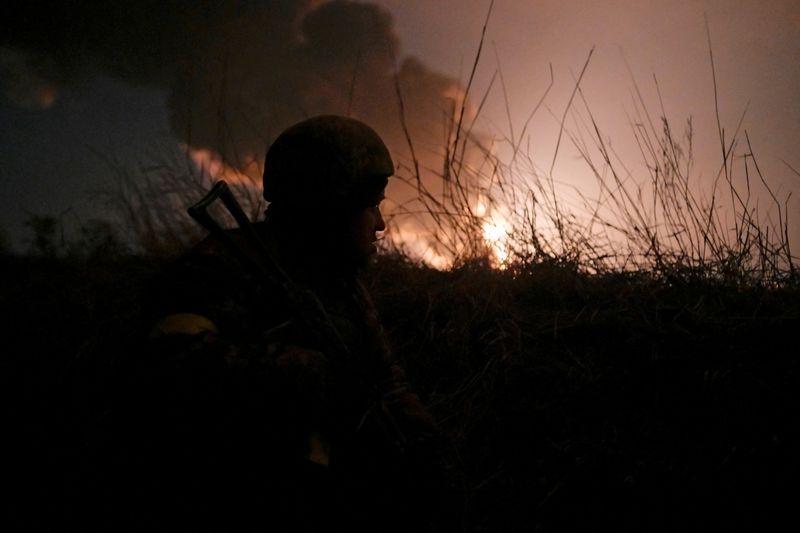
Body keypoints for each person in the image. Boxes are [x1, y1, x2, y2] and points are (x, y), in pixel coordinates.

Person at [122, 116, 452, 532]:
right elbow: (167, 361)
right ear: (328, 204)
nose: (380, 223)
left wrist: (427, 446)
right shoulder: (225, 265)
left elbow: (384, 380)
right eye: (368, 205)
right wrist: (307, 373)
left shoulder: (341, 287)